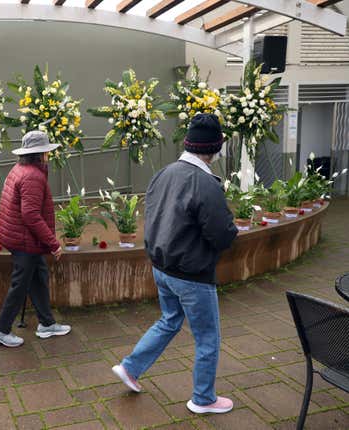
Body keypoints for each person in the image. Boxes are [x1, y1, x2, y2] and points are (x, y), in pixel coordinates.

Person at [111, 113, 238, 414]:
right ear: (215, 148)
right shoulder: (206, 183)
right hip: (192, 274)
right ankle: (203, 399)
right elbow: (222, 234)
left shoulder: (164, 173)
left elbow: (155, 217)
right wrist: (233, 233)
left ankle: (130, 368)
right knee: (208, 337)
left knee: (169, 320)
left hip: (162, 267)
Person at [0, 130, 71, 347]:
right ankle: (0, 329)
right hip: (25, 241)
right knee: (20, 284)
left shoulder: (20, 168)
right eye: (47, 152)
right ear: (41, 154)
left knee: (38, 275)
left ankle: (47, 323)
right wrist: (53, 243)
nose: (48, 156)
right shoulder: (33, 176)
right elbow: (31, 215)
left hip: (18, 237)